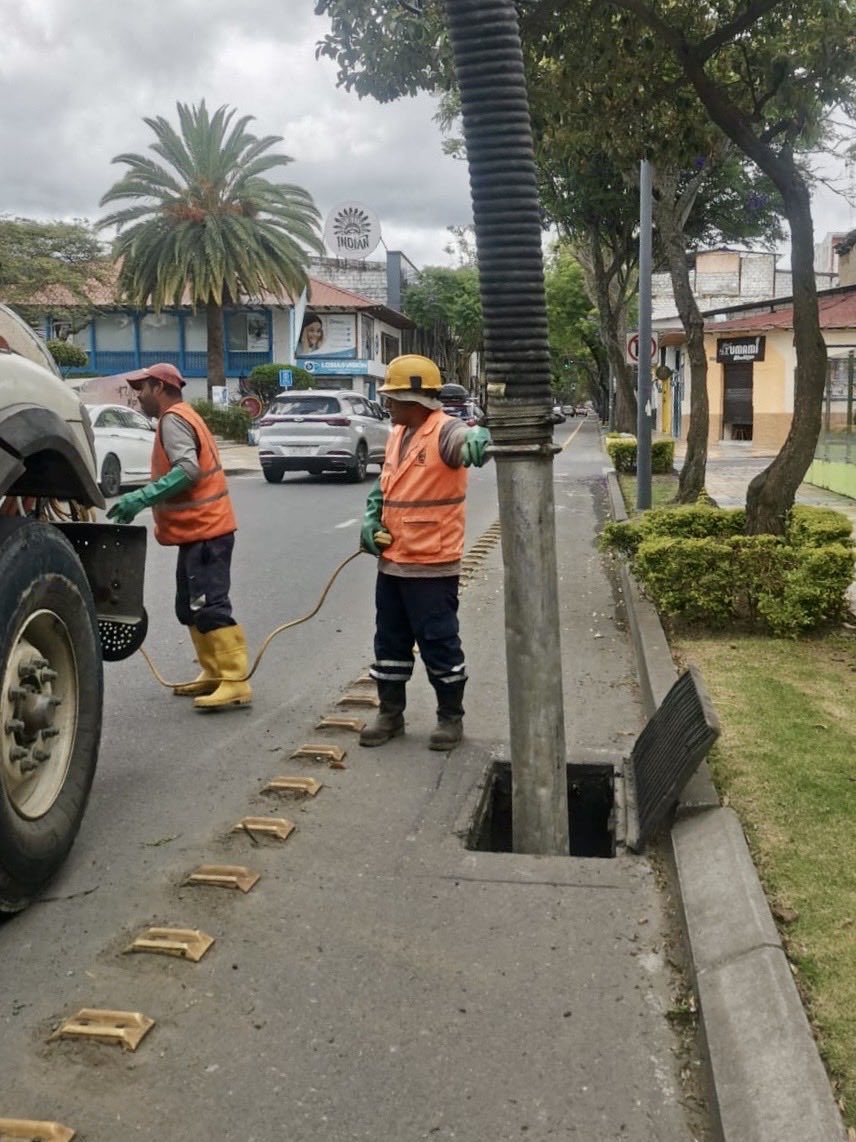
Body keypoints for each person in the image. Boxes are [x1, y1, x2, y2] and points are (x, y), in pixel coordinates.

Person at [359, 354, 491, 750]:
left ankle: (450, 718)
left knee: (439, 640)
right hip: (394, 562)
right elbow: (386, 486)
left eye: (393, 398)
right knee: (390, 641)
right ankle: (390, 713)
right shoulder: (398, 433)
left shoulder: (445, 431)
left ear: (415, 400)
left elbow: (469, 447)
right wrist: (371, 520)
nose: (387, 405)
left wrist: (480, 437)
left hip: (432, 564)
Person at [106, 362, 252, 711]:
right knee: (189, 607)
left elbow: (187, 469)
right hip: (197, 532)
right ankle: (213, 671)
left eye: (142, 389)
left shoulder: (173, 420)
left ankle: (235, 680)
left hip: (206, 531)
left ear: (159, 386)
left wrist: (141, 497)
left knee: (210, 605)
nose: (138, 396)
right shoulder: (183, 416)